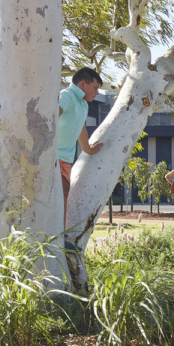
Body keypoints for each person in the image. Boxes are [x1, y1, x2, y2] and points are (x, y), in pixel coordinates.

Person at [58, 67, 104, 227]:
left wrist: (88, 149)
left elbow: (81, 128)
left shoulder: (83, 105)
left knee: (65, 194)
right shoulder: (67, 96)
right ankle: (57, 237)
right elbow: (51, 115)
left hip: (64, 159)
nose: (97, 92)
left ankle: (60, 237)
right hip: (52, 158)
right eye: (95, 88)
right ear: (83, 84)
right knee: (60, 196)